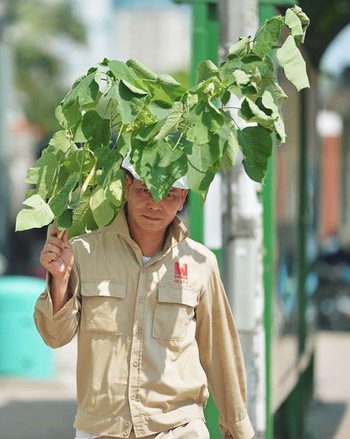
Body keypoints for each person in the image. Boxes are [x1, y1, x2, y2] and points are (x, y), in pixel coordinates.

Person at [34, 159, 255, 439]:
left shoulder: (200, 262)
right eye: (146, 190)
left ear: (183, 197)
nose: (156, 204)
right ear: (127, 186)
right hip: (102, 429)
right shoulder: (83, 252)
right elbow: (54, 337)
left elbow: (220, 349)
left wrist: (238, 428)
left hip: (178, 429)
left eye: (169, 193)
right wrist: (60, 278)